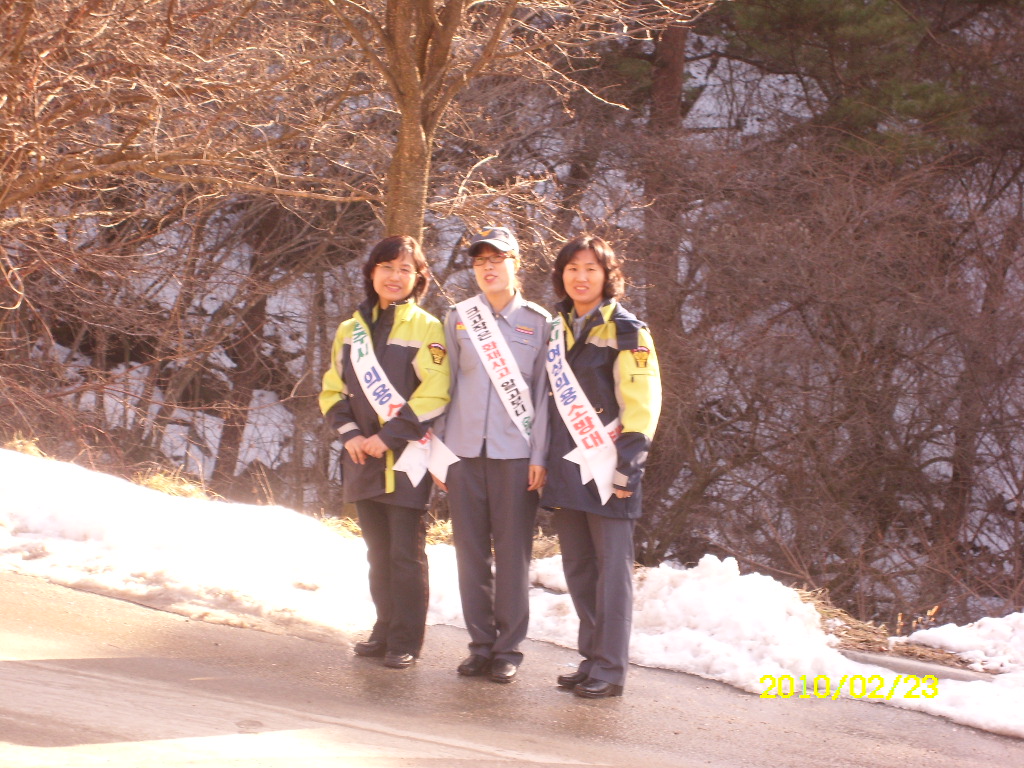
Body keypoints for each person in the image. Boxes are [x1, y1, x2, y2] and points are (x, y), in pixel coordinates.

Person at [319, 235, 450, 669]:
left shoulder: (428, 328)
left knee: (405, 555)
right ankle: (383, 628)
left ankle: (405, 639)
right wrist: (351, 434)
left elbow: (436, 391)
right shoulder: (349, 330)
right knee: (377, 553)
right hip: (361, 458)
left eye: (405, 269)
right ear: (372, 272)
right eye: (387, 267)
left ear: (419, 278)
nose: (395, 276)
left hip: (407, 460)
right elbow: (331, 390)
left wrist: (389, 436)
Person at [542, 234, 662, 698]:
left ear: (607, 276)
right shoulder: (557, 328)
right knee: (580, 570)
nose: (581, 277)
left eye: (591, 268)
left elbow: (642, 404)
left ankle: (610, 670)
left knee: (612, 575)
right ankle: (591, 658)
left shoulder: (629, 331)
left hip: (610, 467)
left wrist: (630, 465)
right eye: (572, 268)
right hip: (567, 468)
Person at [433, 226, 550, 684]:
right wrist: (439, 453)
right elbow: (443, 386)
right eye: (480, 261)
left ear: (515, 263)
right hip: (463, 454)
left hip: (516, 457)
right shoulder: (458, 318)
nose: (488, 267)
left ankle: (508, 649)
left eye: (497, 259)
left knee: (513, 556)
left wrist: (540, 455)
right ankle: (480, 645)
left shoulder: (540, 323)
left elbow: (544, 396)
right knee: (471, 555)